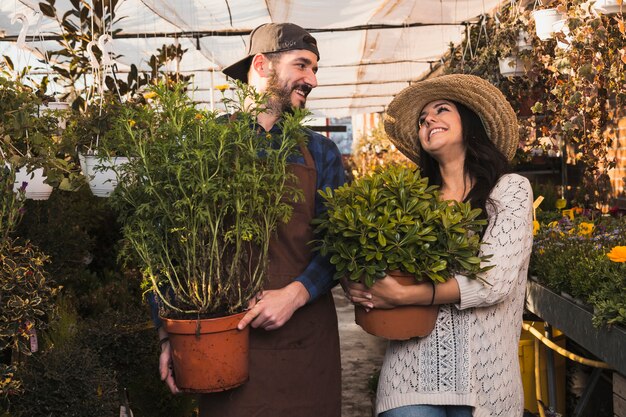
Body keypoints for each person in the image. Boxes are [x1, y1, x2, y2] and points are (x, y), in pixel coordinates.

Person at [155, 23, 344, 417]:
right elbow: (167, 249)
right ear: (262, 65)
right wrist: (167, 333)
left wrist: (295, 294)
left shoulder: (322, 153)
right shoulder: (206, 144)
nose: (312, 79)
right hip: (223, 343)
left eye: (315, 69)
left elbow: (339, 244)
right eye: (303, 65)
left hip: (304, 347)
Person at [344, 74, 533, 417]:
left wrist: (403, 295)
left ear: (470, 124)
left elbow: (494, 281)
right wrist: (360, 284)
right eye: (421, 119)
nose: (428, 119)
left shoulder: (508, 191)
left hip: (484, 382)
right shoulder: (410, 204)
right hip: (410, 374)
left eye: (441, 110)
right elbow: (370, 263)